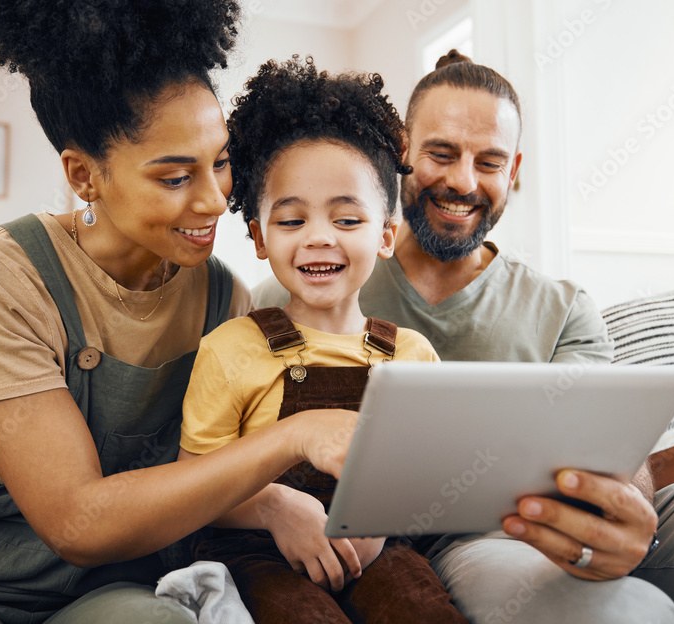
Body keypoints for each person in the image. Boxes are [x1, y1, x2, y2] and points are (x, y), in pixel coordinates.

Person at [254, 52, 674, 624]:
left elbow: (614, 457)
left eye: (489, 161)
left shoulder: (563, 307)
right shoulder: (316, 279)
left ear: (513, 171)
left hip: (537, 524)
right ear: (402, 154)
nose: (463, 181)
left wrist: (623, 506)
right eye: (441, 153)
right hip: (445, 549)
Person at [0, 3, 357, 623]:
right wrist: (293, 438)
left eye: (221, 162)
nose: (214, 198)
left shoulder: (223, 297)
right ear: (84, 175)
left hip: (112, 581)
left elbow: (205, 469)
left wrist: (270, 503)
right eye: (176, 177)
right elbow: (75, 521)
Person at [176, 56, 467, 624]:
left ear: (386, 234)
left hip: (377, 551)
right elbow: (193, 485)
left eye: (347, 220)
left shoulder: (412, 355)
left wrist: (384, 522)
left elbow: (433, 475)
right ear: (259, 237)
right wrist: (275, 506)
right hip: (258, 553)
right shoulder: (232, 347)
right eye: (290, 221)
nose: (317, 239)